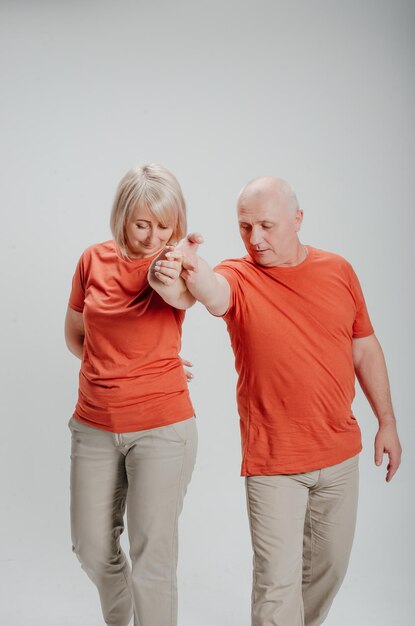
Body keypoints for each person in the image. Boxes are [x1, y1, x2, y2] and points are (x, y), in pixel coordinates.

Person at [149, 176, 402, 626]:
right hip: (274, 464)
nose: (255, 239)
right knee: (275, 587)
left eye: (266, 226)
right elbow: (206, 290)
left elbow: (364, 346)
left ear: (298, 220)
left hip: (340, 455)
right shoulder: (238, 277)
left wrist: (387, 421)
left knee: (329, 572)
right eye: (245, 227)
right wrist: (182, 268)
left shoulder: (339, 270)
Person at [64, 164, 197, 626]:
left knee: (152, 558)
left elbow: (180, 295)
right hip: (94, 425)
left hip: (163, 428)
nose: (153, 236)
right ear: (122, 216)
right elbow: (76, 335)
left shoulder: (173, 266)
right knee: (91, 547)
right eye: (143, 224)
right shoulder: (92, 260)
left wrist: (178, 270)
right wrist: (119, 364)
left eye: (165, 226)